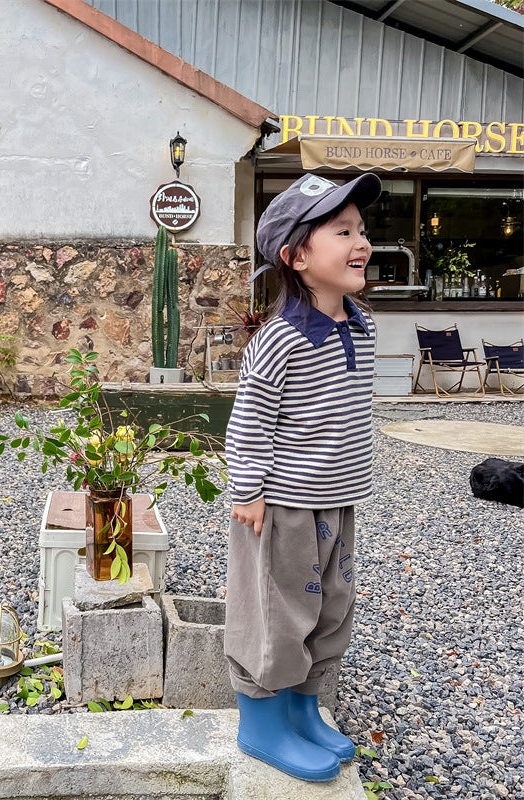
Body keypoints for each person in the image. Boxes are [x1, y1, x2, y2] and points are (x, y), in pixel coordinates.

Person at [224, 172, 382, 782]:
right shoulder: (281, 337)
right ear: (296, 256)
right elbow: (249, 421)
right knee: (276, 613)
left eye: (362, 229)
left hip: (337, 500)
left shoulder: (360, 327)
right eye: (341, 231)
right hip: (283, 505)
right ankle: (261, 724)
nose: (360, 241)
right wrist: (248, 492)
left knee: (329, 608)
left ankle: (303, 707)